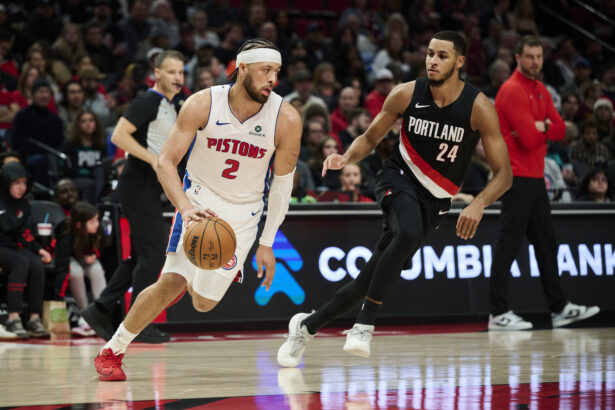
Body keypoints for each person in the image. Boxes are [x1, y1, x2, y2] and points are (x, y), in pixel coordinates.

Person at [277, 31, 513, 366]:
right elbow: (371, 137)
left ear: (460, 61)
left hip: (436, 201)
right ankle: (364, 325)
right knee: (406, 232)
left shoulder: (478, 108)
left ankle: (305, 326)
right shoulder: (406, 93)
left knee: (368, 279)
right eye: (430, 53)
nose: (433, 60)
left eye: (442, 55)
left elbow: (504, 175)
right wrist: (346, 157)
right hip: (397, 179)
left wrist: (477, 203)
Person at [94, 39, 301, 381]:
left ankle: (191, 278)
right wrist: (185, 206)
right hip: (200, 204)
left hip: (244, 215)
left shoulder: (287, 118)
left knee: (204, 302)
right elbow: (165, 162)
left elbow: (282, 184)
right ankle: (112, 350)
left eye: (276, 72)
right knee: (171, 280)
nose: (272, 80)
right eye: (266, 70)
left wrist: (267, 242)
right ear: (242, 68)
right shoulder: (202, 104)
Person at [489, 35, 599, 332]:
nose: (535, 61)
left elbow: (564, 130)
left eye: (539, 56)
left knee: (546, 245)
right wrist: (543, 128)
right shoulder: (511, 90)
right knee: (508, 245)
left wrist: (544, 127)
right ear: (518, 58)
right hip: (515, 175)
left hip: (535, 178)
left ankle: (559, 308)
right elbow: (527, 138)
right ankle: (498, 313)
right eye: (529, 56)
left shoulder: (541, 90)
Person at [81, 50, 186, 345]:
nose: (178, 77)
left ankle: (101, 309)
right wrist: (152, 159)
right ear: (157, 73)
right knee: (152, 255)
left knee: (141, 256)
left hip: (150, 187)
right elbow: (119, 136)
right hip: (137, 184)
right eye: (172, 72)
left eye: (181, 72)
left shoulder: (171, 105)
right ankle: (138, 324)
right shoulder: (146, 102)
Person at [0, 161, 51, 338]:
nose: (21, 187)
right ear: (6, 182)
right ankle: (13, 317)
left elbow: (24, 233)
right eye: (16, 183)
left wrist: (39, 250)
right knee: (20, 262)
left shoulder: (24, 205)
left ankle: (34, 318)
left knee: (36, 264)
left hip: (11, 247)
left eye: (24, 183)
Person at [54, 201, 105, 337]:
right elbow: (62, 266)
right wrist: (59, 296)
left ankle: (102, 313)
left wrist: (93, 254)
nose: (97, 224)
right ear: (79, 225)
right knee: (75, 272)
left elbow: (103, 248)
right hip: (71, 260)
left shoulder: (98, 229)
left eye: (97, 220)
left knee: (97, 269)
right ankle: (85, 314)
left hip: (87, 260)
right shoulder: (66, 236)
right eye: (92, 221)